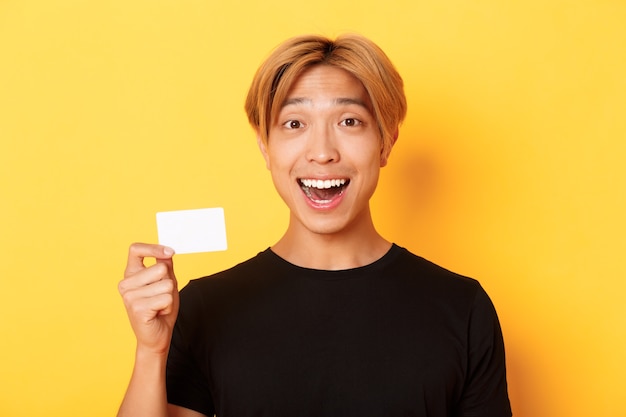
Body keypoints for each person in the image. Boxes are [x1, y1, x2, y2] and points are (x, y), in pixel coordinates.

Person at [117, 34, 512, 417]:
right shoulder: (203, 307)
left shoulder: (463, 310)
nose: (322, 152)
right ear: (265, 148)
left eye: (349, 121)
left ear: (386, 142)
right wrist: (151, 352)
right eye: (294, 124)